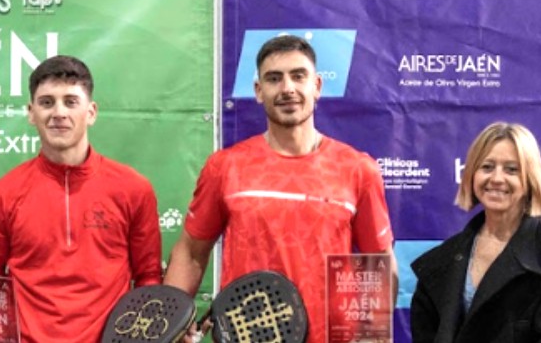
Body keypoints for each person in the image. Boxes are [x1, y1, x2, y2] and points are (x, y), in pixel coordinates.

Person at [163, 35, 398, 343]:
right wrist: (171, 322)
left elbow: (376, 260)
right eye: (274, 79)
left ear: (316, 86)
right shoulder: (225, 166)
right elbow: (192, 253)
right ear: (259, 91)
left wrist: (370, 334)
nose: (288, 88)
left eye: (298, 76)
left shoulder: (357, 168)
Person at [0, 55, 162, 342]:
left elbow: (148, 278)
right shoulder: (2, 195)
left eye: (71, 101)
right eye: (47, 102)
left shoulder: (134, 189)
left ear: (91, 112)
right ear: (31, 112)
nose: (58, 112)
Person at [410, 122, 541, 343]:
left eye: (511, 169)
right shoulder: (442, 260)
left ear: (529, 179)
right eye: (487, 167)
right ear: (471, 174)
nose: (497, 178)